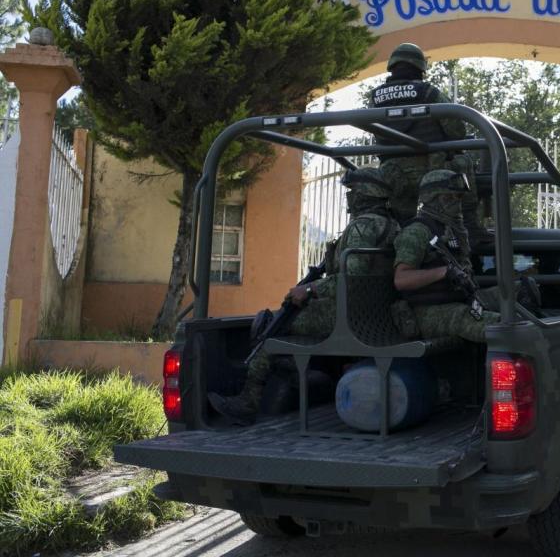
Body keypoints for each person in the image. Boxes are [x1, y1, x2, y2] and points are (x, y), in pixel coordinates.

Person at [208, 168, 399, 424]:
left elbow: (351, 280)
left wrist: (309, 289)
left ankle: (249, 402)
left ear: (366, 194)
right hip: (375, 313)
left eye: (353, 192)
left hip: (347, 315)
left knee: (273, 325)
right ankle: (291, 373)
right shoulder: (392, 225)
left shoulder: (362, 228)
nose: (349, 198)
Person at [392, 170, 540, 343]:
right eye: (452, 198)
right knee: (504, 327)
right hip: (429, 312)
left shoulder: (450, 229)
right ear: (435, 199)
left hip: (462, 298)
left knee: (524, 288)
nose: (458, 204)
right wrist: (444, 272)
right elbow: (401, 279)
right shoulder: (416, 232)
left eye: (459, 198)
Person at [369, 42, 490, 247]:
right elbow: (456, 130)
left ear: (393, 66)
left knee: (402, 221)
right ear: (420, 68)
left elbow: (374, 131)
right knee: (463, 161)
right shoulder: (428, 93)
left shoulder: (375, 98)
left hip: (392, 173)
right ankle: (471, 229)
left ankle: (397, 246)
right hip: (432, 170)